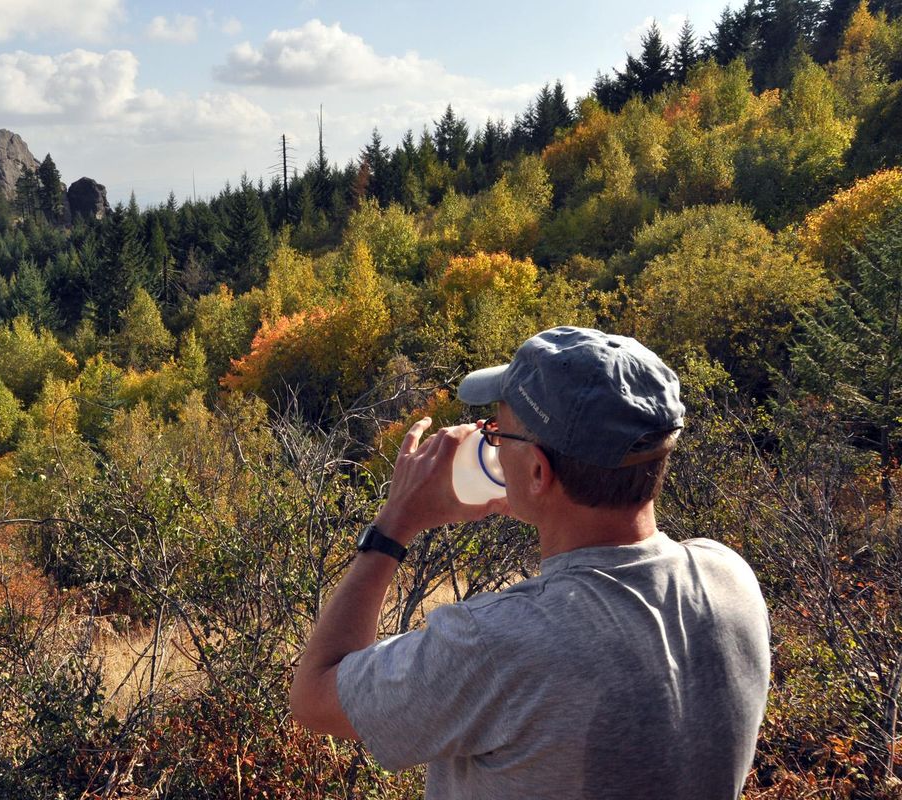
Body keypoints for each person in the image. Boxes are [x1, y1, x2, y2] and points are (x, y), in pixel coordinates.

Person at [289, 326, 771, 799]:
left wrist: (394, 524)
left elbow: (314, 697)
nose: (491, 444)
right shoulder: (731, 580)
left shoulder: (496, 645)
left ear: (539, 470)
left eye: (498, 435)